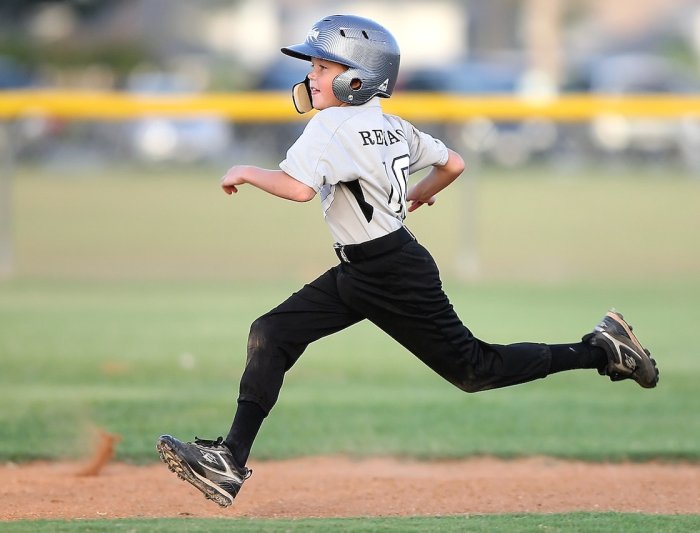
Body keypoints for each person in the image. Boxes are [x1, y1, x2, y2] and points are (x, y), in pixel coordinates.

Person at [156, 14, 659, 508]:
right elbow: (453, 163)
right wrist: (417, 195)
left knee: (474, 369)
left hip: (390, 273)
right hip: (372, 266)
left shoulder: (331, 125)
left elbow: (299, 190)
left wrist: (245, 169)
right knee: (273, 332)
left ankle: (602, 349)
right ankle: (229, 460)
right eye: (314, 65)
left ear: (358, 78)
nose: (311, 74)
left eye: (323, 66)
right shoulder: (390, 123)